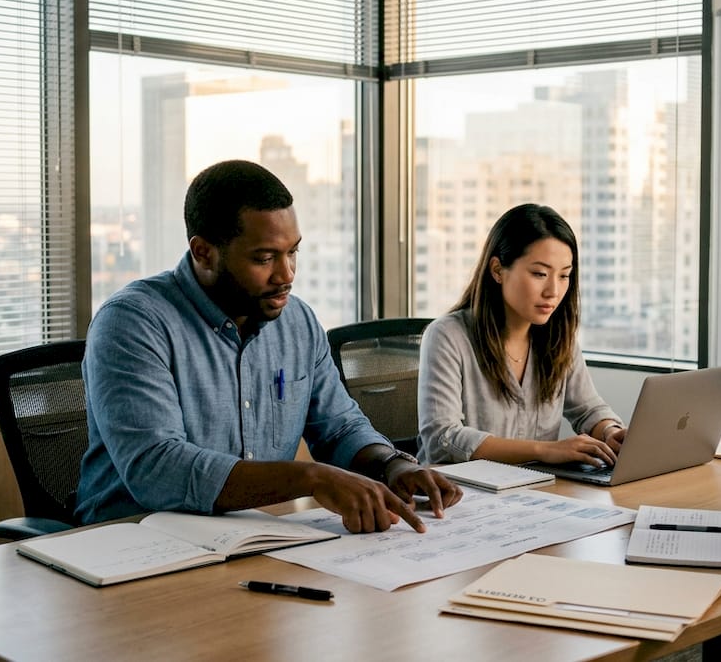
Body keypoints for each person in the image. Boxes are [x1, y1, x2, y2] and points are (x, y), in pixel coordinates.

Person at [75, 159, 462, 533]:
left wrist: (392, 465)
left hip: (253, 536)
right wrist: (311, 477)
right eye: (265, 258)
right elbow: (157, 470)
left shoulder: (298, 322)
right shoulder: (132, 323)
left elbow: (340, 428)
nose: (286, 274)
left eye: (292, 252)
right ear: (203, 252)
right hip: (131, 541)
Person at [417, 203, 626, 466]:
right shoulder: (447, 336)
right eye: (539, 274)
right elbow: (442, 439)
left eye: (564, 276)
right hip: (460, 495)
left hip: (534, 493)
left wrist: (610, 432)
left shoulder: (558, 337)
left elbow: (588, 410)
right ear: (497, 270)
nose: (553, 291)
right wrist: (544, 450)